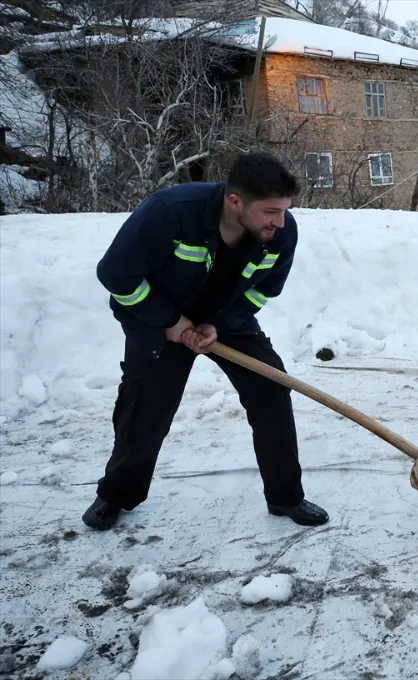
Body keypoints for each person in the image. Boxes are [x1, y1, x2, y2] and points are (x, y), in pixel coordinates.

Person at [82, 152, 329, 530]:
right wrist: (169, 322)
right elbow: (116, 275)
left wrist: (218, 323)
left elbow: (264, 290)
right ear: (235, 202)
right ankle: (116, 494)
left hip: (226, 319)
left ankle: (285, 497)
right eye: (270, 211)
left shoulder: (281, 232)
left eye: (284, 210)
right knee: (146, 408)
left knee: (272, 390)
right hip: (157, 316)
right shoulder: (171, 211)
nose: (280, 222)